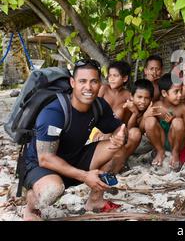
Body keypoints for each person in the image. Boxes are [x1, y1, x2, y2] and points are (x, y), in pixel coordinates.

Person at [22, 59, 135, 220]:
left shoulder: (99, 105)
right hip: (40, 165)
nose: (88, 87)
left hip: (74, 157)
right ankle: (31, 208)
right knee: (53, 190)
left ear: (100, 84)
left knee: (117, 148)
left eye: (94, 81)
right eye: (82, 81)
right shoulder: (54, 112)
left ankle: (95, 200)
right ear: (73, 82)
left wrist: (119, 136)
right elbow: (46, 158)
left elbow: (118, 128)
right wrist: (84, 176)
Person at [143, 73, 185, 169]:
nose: (180, 95)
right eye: (176, 92)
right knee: (149, 121)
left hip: (176, 141)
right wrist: (147, 116)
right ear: (164, 93)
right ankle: (160, 151)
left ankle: (175, 152)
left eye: (181, 91)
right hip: (161, 140)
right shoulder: (157, 106)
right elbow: (148, 127)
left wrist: (174, 121)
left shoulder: (183, 108)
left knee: (178, 122)